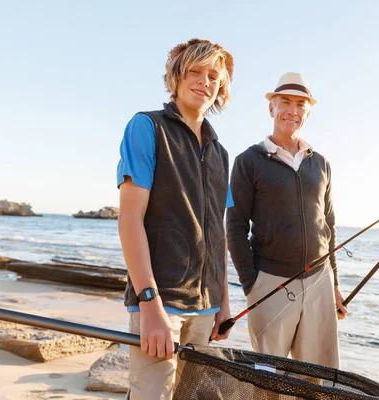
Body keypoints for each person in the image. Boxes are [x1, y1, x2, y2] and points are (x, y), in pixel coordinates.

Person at [116, 38, 234, 399]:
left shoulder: (220, 152)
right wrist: (149, 303)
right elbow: (130, 219)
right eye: (195, 72)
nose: (204, 81)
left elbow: (218, 234)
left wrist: (224, 303)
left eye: (213, 76)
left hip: (207, 307)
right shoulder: (146, 128)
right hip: (160, 302)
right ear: (176, 77)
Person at [226, 72, 348, 371]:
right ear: (272, 108)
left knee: (317, 377)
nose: (292, 110)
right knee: (269, 378)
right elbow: (235, 226)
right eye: (285, 102)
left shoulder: (320, 162)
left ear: (308, 112)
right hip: (270, 283)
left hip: (320, 281)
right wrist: (250, 283)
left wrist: (334, 285)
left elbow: (328, 224)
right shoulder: (248, 161)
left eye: (300, 104)